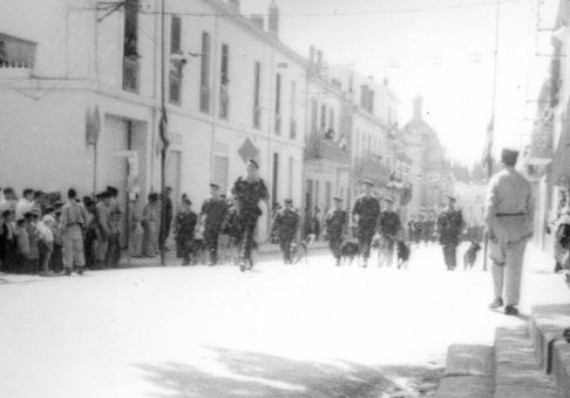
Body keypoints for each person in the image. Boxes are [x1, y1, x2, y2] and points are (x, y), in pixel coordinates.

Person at [486, 148, 534, 316]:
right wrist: (529, 228)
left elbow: (490, 206)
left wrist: (488, 227)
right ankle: (511, 304)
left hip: (499, 224)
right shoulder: (524, 182)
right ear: (516, 160)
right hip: (519, 226)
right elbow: (531, 208)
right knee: (515, 267)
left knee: (497, 263)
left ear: (502, 160)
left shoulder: (496, 180)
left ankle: (498, 296)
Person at [231, 158, 269, 271]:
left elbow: (266, 197)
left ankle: (243, 257)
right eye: (248, 167)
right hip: (241, 212)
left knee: (248, 233)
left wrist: (269, 213)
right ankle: (248, 258)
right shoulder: (240, 181)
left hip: (252, 212)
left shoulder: (259, 183)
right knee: (243, 235)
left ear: (255, 170)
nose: (249, 169)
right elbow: (232, 193)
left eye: (251, 167)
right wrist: (234, 203)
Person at [351, 180, 380, 267]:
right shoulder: (359, 200)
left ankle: (365, 259)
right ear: (363, 188)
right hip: (361, 225)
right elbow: (353, 211)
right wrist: (355, 219)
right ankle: (362, 255)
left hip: (370, 225)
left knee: (367, 242)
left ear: (371, 189)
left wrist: (377, 227)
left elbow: (378, 215)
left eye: (369, 187)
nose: (367, 189)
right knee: (361, 242)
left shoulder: (375, 201)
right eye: (365, 187)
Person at [59, 188, 88, 275]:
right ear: (75, 195)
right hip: (78, 227)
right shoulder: (80, 206)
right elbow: (86, 217)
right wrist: (84, 226)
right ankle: (80, 267)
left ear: (68, 196)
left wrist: (62, 230)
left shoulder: (66, 207)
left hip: (68, 228)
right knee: (78, 248)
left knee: (68, 249)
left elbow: (63, 221)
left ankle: (68, 268)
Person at [201, 183, 228, 266]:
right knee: (208, 241)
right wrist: (201, 223)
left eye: (214, 190)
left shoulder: (221, 202)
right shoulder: (207, 201)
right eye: (211, 190)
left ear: (217, 191)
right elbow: (203, 213)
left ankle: (213, 259)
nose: (212, 192)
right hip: (208, 225)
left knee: (214, 241)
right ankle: (212, 258)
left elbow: (226, 214)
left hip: (217, 225)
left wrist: (224, 223)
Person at [436, 196, 464, 271]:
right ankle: (447, 264)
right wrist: (438, 232)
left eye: (451, 202)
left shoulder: (457, 212)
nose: (449, 203)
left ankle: (452, 264)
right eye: (448, 201)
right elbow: (438, 223)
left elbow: (460, 223)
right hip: (444, 234)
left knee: (452, 249)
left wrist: (460, 233)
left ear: (453, 203)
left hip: (453, 234)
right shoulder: (442, 212)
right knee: (445, 249)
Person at [271, 199, 300, 264]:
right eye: (286, 204)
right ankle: (290, 255)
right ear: (284, 204)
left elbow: (296, 224)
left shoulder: (294, 213)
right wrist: (273, 231)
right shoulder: (279, 212)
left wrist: (295, 234)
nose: (287, 206)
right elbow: (275, 222)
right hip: (281, 233)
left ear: (290, 205)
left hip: (289, 233)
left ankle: (286, 259)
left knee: (287, 246)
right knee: (282, 246)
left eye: (288, 205)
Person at [377, 197, 402, 267]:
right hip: (384, 235)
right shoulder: (382, 214)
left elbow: (398, 225)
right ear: (385, 205)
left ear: (392, 206)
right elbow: (379, 225)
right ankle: (381, 261)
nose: (388, 206)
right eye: (387, 204)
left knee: (390, 250)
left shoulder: (394, 215)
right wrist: (382, 232)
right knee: (382, 248)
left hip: (392, 236)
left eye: (390, 205)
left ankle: (388, 262)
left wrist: (396, 234)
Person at [325, 196, 348, 266]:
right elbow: (326, 222)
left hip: (339, 232)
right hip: (331, 232)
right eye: (335, 203)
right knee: (331, 246)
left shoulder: (343, 213)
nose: (336, 204)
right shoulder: (330, 212)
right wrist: (325, 232)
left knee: (337, 245)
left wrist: (343, 233)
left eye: (338, 203)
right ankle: (337, 256)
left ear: (341, 204)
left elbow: (345, 223)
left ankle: (338, 259)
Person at [175, 197, 198, 266]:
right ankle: (188, 258)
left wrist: (193, 230)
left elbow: (195, 223)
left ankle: (188, 259)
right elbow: (177, 222)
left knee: (188, 245)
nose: (184, 206)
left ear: (188, 205)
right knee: (183, 246)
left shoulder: (193, 214)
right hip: (182, 232)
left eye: (185, 205)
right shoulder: (180, 214)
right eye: (183, 205)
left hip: (189, 232)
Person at [94, 191, 112, 269]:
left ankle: (101, 262)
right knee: (100, 246)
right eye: (108, 199)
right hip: (100, 228)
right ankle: (99, 263)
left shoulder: (105, 206)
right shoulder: (100, 206)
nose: (109, 200)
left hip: (104, 228)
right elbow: (101, 220)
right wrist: (106, 230)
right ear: (104, 198)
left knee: (104, 246)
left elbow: (108, 219)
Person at [142, 193, 160, 257]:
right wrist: (147, 225)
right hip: (150, 224)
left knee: (153, 239)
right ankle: (149, 253)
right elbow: (147, 218)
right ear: (152, 200)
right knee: (150, 239)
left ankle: (151, 251)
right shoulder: (148, 207)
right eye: (155, 200)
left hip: (154, 224)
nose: (156, 202)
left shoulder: (153, 207)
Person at [129, 193, 144, 258]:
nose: (138, 199)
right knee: (134, 239)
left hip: (138, 222)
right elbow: (133, 216)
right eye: (137, 198)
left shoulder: (136, 205)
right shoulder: (131, 206)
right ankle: (134, 253)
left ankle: (137, 252)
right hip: (134, 223)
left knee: (138, 238)